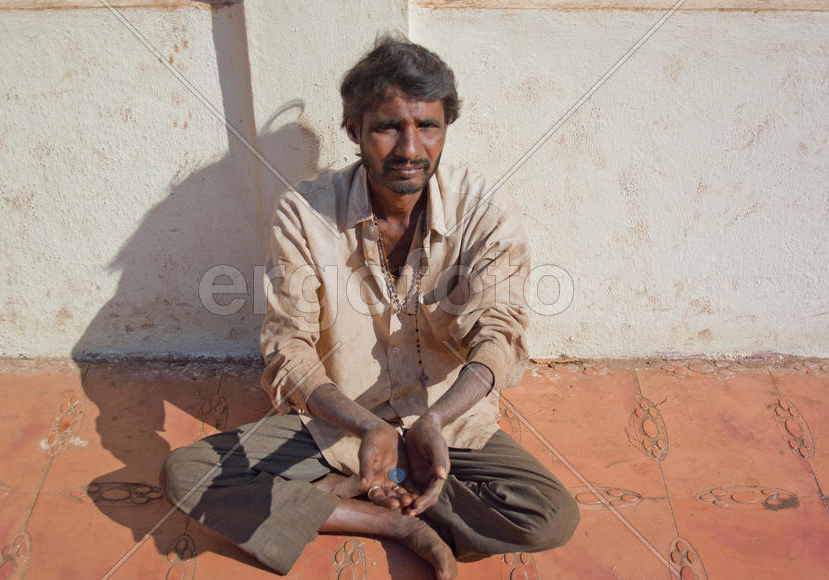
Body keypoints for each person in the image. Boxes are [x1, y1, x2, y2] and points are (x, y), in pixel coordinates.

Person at [163, 36, 579, 579]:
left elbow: (500, 335)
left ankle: (352, 493)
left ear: (445, 128)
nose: (410, 148)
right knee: (188, 472)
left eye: (427, 126)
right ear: (354, 132)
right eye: (387, 127)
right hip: (339, 424)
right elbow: (288, 348)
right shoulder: (305, 213)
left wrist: (434, 418)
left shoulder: (485, 208)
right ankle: (400, 520)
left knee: (549, 515)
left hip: (445, 422)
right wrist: (369, 428)